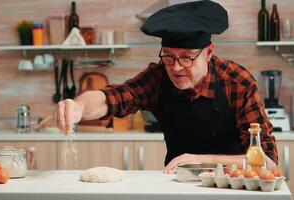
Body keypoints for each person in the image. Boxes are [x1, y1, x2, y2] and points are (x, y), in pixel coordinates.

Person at [39, 0, 277, 173]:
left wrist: (201, 161)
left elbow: (267, 160)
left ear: (209, 53)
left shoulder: (237, 82)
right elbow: (113, 97)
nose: (176, 67)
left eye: (187, 58)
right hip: (177, 187)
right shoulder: (159, 77)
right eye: (169, 57)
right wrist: (78, 106)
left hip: (235, 187)